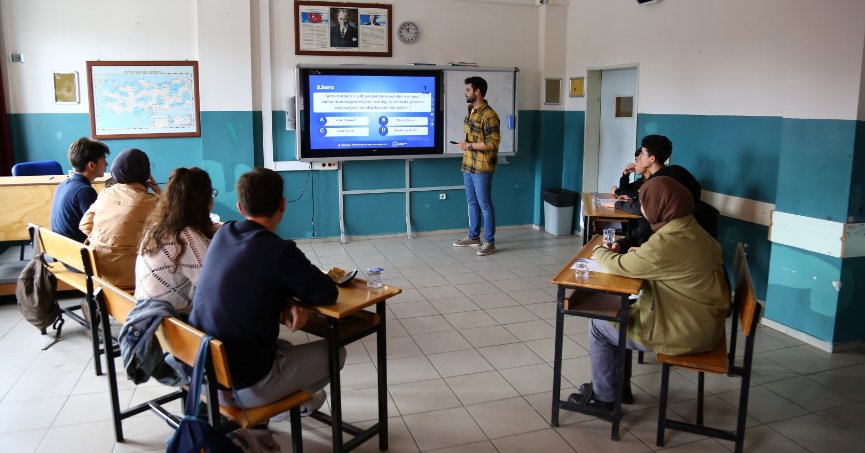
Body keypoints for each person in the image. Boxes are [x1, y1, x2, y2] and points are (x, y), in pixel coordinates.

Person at [188, 167, 344, 422]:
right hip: (240, 388)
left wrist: (285, 301)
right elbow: (327, 292)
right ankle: (284, 408)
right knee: (338, 353)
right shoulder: (279, 251)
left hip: (203, 375)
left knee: (285, 347)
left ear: (240, 207)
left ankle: (297, 405)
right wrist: (290, 299)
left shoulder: (223, 234)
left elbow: (251, 281)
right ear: (283, 204)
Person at [568, 176, 730, 411]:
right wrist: (640, 254)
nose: (643, 208)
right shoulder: (693, 230)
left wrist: (601, 252)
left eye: (645, 202)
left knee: (600, 324)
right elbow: (662, 261)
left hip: (684, 329)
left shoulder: (667, 243)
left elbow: (620, 266)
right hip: (702, 321)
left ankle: (605, 399)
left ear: (660, 205)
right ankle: (616, 387)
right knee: (620, 313)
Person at [134, 167, 215, 316]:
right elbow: (212, 287)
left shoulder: (156, 228)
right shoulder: (186, 238)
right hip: (174, 320)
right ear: (204, 201)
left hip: (147, 311)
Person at [80, 148, 160, 288]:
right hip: (130, 276)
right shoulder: (150, 201)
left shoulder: (106, 193)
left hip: (98, 269)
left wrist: (107, 242)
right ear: (144, 172)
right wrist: (158, 191)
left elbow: (84, 224)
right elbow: (174, 220)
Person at [611, 134, 701, 252]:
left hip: (670, 236)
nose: (639, 157)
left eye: (642, 154)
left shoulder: (657, 182)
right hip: (692, 227)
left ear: (652, 158)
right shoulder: (676, 170)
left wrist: (617, 204)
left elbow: (643, 209)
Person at [452, 76, 501, 256]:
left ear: (477, 91)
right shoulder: (471, 110)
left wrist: (470, 145)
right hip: (468, 164)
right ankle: (474, 236)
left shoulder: (489, 115)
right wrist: (466, 143)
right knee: (471, 202)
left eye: (468, 90)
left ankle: (489, 241)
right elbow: (474, 137)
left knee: (485, 204)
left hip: (482, 167)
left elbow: (493, 143)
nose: (465, 93)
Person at [50, 137, 109, 243]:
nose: (107, 164)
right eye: (104, 159)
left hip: (61, 250)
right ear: (92, 165)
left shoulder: (63, 185)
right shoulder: (85, 192)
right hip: (77, 254)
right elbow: (99, 229)